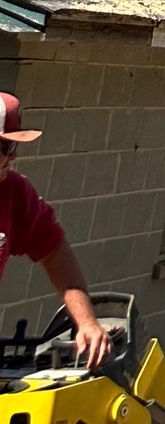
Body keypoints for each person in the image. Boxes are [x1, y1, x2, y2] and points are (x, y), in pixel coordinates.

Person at [0, 95, 109, 369]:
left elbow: (55, 251)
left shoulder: (14, 193)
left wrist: (86, 322)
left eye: (14, 145)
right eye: (5, 145)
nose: (13, 156)